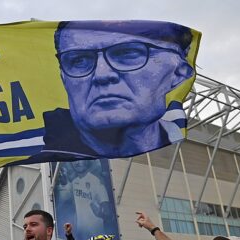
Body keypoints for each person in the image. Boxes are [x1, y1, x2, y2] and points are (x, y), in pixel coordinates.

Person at [36, 20, 194, 161]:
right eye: (79, 60)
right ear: (64, 79)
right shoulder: (42, 152)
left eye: (127, 53)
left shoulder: (182, 150)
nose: (102, 74)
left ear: (178, 72)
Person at [56, 160, 112, 240]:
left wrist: (101, 213)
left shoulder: (96, 181)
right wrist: (64, 183)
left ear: (86, 161)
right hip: (80, 238)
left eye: (80, 160)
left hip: (96, 238)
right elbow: (64, 201)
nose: (77, 163)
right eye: (74, 161)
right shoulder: (74, 182)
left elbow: (108, 213)